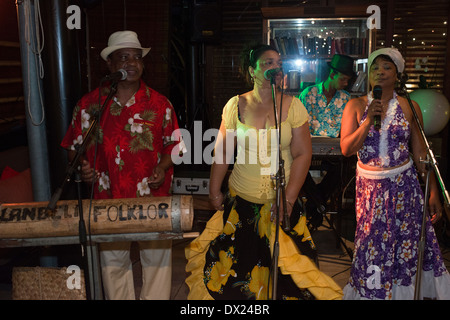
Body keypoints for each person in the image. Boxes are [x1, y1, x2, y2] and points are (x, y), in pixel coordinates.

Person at [184, 43, 343, 300]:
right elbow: (223, 152)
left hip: (281, 203)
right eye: (267, 63)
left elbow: (303, 154)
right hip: (242, 203)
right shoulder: (235, 105)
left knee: (286, 278)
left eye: (278, 63)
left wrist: (289, 198)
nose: (275, 67)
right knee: (239, 275)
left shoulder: (293, 106)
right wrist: (214, 191)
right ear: (252, 71)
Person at [61, 30, 180, 300]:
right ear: (110, 65)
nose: (132, 63)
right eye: (123, 57)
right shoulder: (89, 105)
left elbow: (174, 147)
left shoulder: (160, 104)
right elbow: (73, 150)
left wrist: (162, 167)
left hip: (153, 198)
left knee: (157, 262)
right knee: (113, 265)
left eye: (137, 57)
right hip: (107, 199)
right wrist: (83, 168)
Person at [340, 47, 450, 299]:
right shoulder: (355, 105)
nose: (379, 72)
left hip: (405, 186)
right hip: (371, 188)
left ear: (397, 74)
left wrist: (432, 191)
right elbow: (346, 149)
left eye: (386, 68)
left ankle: (402, 293)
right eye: (375, 68)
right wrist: (368, 121)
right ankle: (372, 291)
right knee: (372, 244)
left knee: (406, 243)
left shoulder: (410, 106)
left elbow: (421, 154)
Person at [298, 54, 354, 228]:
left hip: (334, 150)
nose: (346, 84)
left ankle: (315, 204)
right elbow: (298, 125)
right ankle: (319, 205)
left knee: (346, 167)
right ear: (332, 75)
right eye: (343, 79)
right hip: (309, 148)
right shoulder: (308, 94)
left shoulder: (346, 98)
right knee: (296, 167)